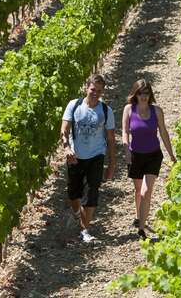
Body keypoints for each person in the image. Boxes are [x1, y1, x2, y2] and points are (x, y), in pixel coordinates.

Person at [60, 74, 116, 243]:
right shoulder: (74, 105)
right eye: (93, 89)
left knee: (92, 192)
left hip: (96, 156)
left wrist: (112, 163)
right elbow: (64, 130)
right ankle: (77, 213)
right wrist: (66, 148)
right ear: (87, 88)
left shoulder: (106, 111)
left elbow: (111, 139)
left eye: (99, 91)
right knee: (73, 193)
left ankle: (85, 230)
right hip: (75, 156)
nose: (95, 93)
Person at [122, 79, 176, 239]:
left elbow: (164, 133)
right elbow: (124, 131)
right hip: (135, 155)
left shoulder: (157, 111)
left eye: (146, 93)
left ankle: (141, 228)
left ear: (150, 95)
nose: (143, 97)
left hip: (153, 155)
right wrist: (126, 149)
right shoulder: (128, 109)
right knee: (138, 190)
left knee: (146, 192)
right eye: (140, 93)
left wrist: (171, 155)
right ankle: (139, 217)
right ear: (135, 94)